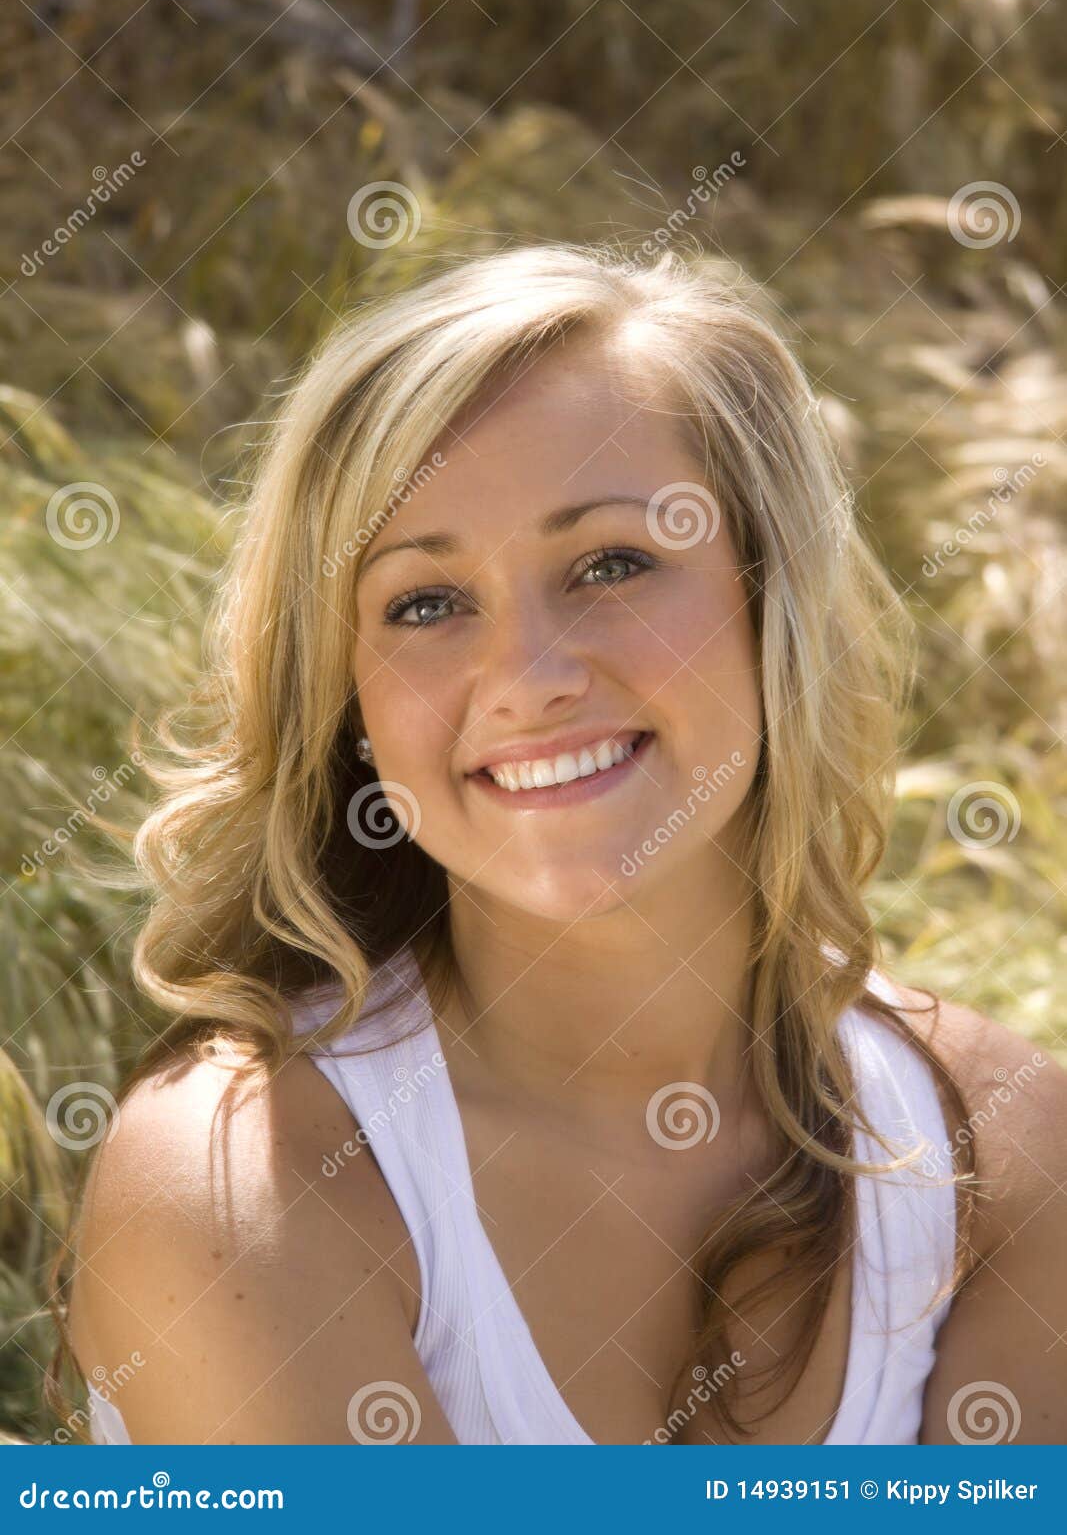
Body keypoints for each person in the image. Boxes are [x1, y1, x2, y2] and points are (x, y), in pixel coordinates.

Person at [57, 244, 1066, 1445]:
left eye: (611, 564)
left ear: (769, 599)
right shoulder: (241, 1179)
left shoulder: (1003, 1152)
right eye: (425, 603)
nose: (528, 679)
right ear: (346, 702)